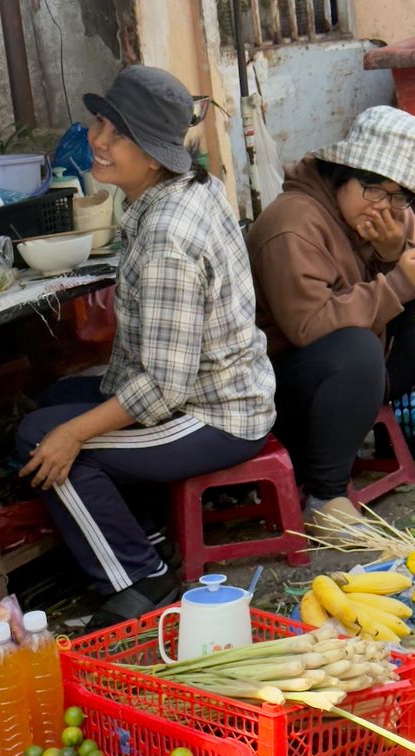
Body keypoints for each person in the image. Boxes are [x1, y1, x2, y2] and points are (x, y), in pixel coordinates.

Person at [17, 65, 275, 625]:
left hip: (216, 413)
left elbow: (161, 389)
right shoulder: (179, 191)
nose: (101, 141)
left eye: (121, 135)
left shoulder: (166, 240)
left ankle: (140, 575)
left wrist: (72, 434)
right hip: (206, 387)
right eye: (102, 123)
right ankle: (147, 536)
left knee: (46, 438)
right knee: (55, 398)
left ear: (155, 156)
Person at [246, 105, 415, 536]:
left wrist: (395, 251)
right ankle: (324, 496)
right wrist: (395, 284)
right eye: (375, 191)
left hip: (363, 372)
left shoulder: (387, 211)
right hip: (293, 390)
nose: (386, 208)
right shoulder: (292, 224)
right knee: (355, 346)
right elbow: (308, 325)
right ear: (343, 173)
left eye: (400, 198)